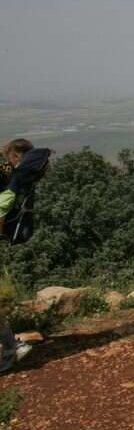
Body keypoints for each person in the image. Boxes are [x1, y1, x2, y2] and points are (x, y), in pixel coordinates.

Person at [0, 138, 41, 372]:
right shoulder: (14, 179)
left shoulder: (11, 183)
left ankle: (11, 346)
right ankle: (10, 345)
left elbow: (1, 209)